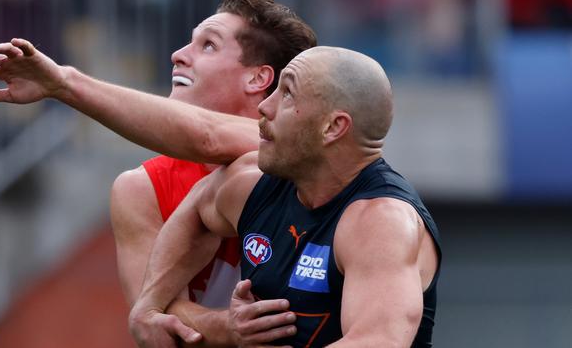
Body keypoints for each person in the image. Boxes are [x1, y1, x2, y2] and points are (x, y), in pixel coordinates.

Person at [0, 0, 317, 346]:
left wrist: (63, 83)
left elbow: (207, 136)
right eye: (189, 42)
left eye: (207, 45)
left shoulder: (302, 150)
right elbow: (155, 317)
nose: (177, 55)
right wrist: (233, 328)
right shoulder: (141, 187)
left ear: (258, 78)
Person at [132, 46, 442, 347]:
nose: (265, 107)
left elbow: (377, 342)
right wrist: (150, 304)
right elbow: (197, 209)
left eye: (288, 93)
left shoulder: (381, 222)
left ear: (333, 127)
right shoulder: (252, 182)